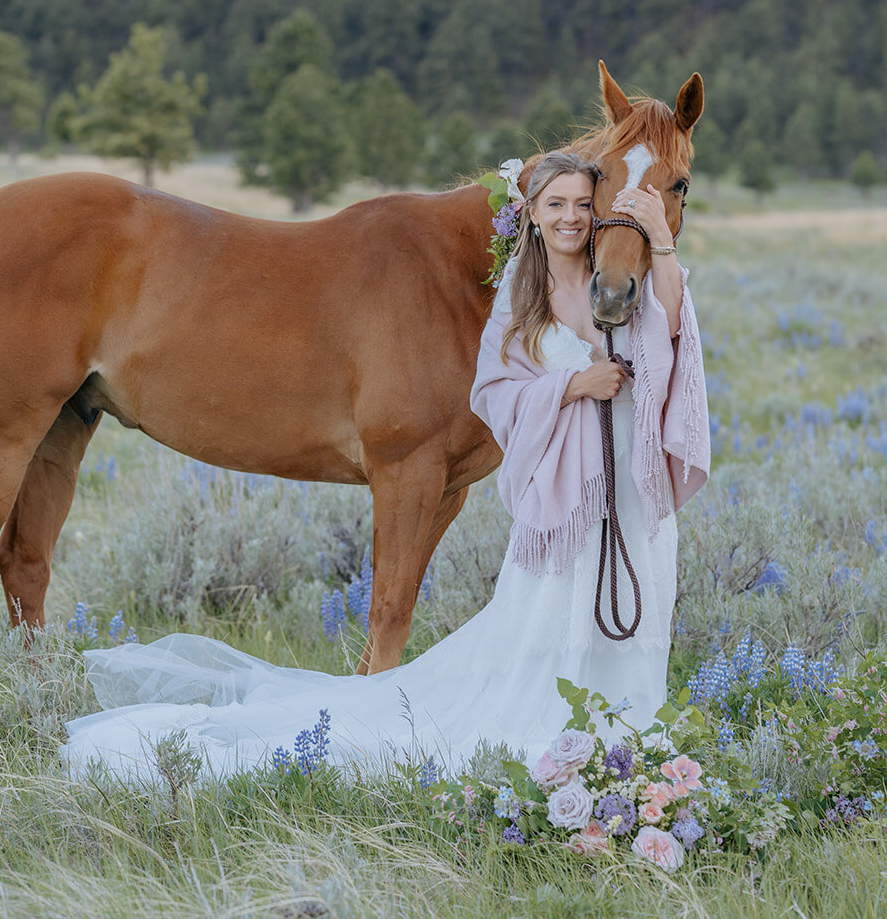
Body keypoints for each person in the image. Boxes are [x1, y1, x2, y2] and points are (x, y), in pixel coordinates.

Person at [63, 151, 709, 784]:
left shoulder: (618, 285)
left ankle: (623, 745)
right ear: (529, 213)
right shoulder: (520, 296)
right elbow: (495, 392)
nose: (571, 219)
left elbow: (668, 338)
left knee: (626, 621)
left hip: (621, 481)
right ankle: (530, 735)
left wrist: (660, 242)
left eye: (580, 207)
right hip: (567, 495)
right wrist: (573, 387)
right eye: (556, 206)